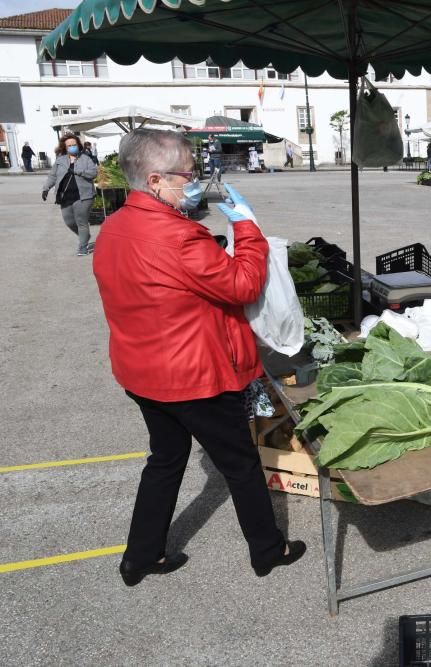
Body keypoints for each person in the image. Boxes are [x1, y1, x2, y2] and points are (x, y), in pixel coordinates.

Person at [92, 128, 305, 587]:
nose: (191, 183)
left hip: (143, 371)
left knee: (166, 458)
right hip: (195, 375)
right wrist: (248, 228)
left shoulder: (115, 226)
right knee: (240, 464)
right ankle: (269, 550)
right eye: (184, 176)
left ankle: (141, 556)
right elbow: (244, 285)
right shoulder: (177, 236)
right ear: (153, 180)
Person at [42, 132, 98, 256]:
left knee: (81, 221)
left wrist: (78, 171)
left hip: (83, 195)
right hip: (65, 195)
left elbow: (93, 173)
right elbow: (53, 176)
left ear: (78, 145)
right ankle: (85, 236)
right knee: (69, 221)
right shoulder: (60, 160)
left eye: (74, 144)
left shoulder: (86, 158)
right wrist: (46, 188)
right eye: (69, 145)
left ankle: (83, 246)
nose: (72, 147)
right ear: (65, 148)